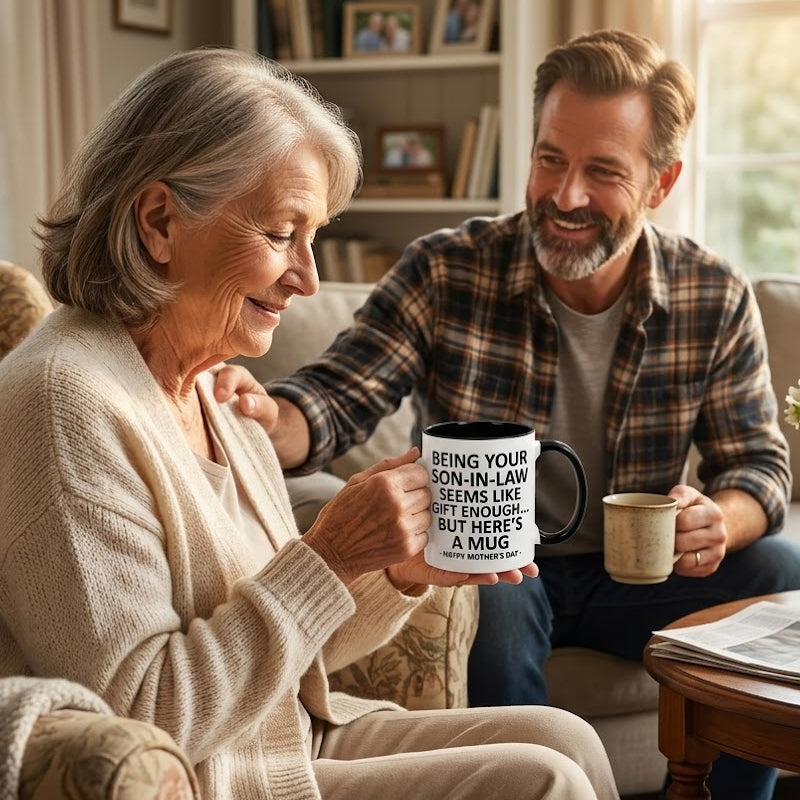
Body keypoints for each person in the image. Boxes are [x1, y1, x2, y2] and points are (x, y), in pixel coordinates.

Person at [0, 47, 620, 800]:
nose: (310, 277)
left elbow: (299, 650)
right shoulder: (63, 399)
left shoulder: (216, 394)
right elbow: (143, 716)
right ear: (160, 221)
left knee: (567, 736)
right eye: (280, 233)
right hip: (216, 773)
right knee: (543, 781)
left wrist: (385, 570)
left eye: (315, 234)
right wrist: (327, 556)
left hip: (291, 728)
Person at [214, 29, 800, 800]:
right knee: (496, 584)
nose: (565, 195)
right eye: (551, 158)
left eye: (603, 172)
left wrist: (720, 520)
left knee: (779, 570)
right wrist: (265, 413)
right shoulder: (447, 267)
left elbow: (759, 467)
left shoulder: (711, 294)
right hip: (499, 567)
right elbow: (333, 399)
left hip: (637, 578)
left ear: (662, 183)